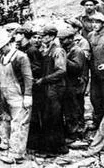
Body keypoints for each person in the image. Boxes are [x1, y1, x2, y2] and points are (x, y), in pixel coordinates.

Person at [0, 29, 33, 164]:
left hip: (18, 96)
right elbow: (0, 74)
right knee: (8, 121)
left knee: (19, 124)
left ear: (8, 44)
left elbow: (28, 77)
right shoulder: (2, 58)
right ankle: (9, 145)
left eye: (1, 47)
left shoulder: (21, 57)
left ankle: (16, 154)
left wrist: (28, 95)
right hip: (6, 94)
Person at [35, 25, 68, 154]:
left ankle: (57, 148)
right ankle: (49, 146)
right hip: (48, 88)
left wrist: (44, 80)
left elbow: (61, 71)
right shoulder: (47, 49)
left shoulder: (58, 51)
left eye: (45, 35)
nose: (42, 38)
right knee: (48, 116)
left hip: (56, 88)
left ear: (52, 36)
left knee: (55, 117)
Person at [59, 27, 88, 141]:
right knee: (69, 108)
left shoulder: (77, 51)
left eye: (63, 39)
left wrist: (63, 59)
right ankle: (72, 130)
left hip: (75, 83)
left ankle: (76, 133)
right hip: (69, 83)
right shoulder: (66, 49)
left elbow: (77, 67)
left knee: (74, 109)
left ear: (70, 39)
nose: (61, 42)